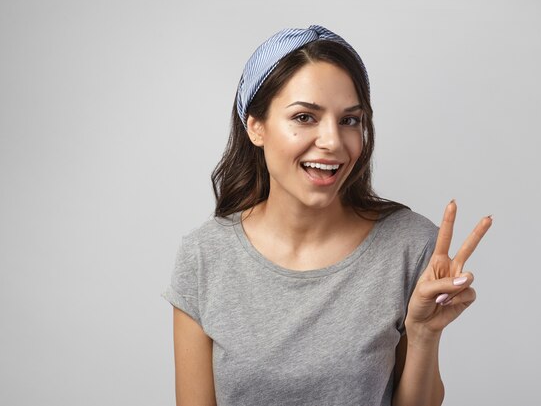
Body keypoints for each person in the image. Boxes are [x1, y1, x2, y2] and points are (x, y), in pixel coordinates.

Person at [162, 24, 492, 406]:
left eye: (350, 120)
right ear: (256, 126)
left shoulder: (410, 247)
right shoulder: (205, 255)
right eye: (304, 117)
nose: (333, 142)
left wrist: (423, 334)